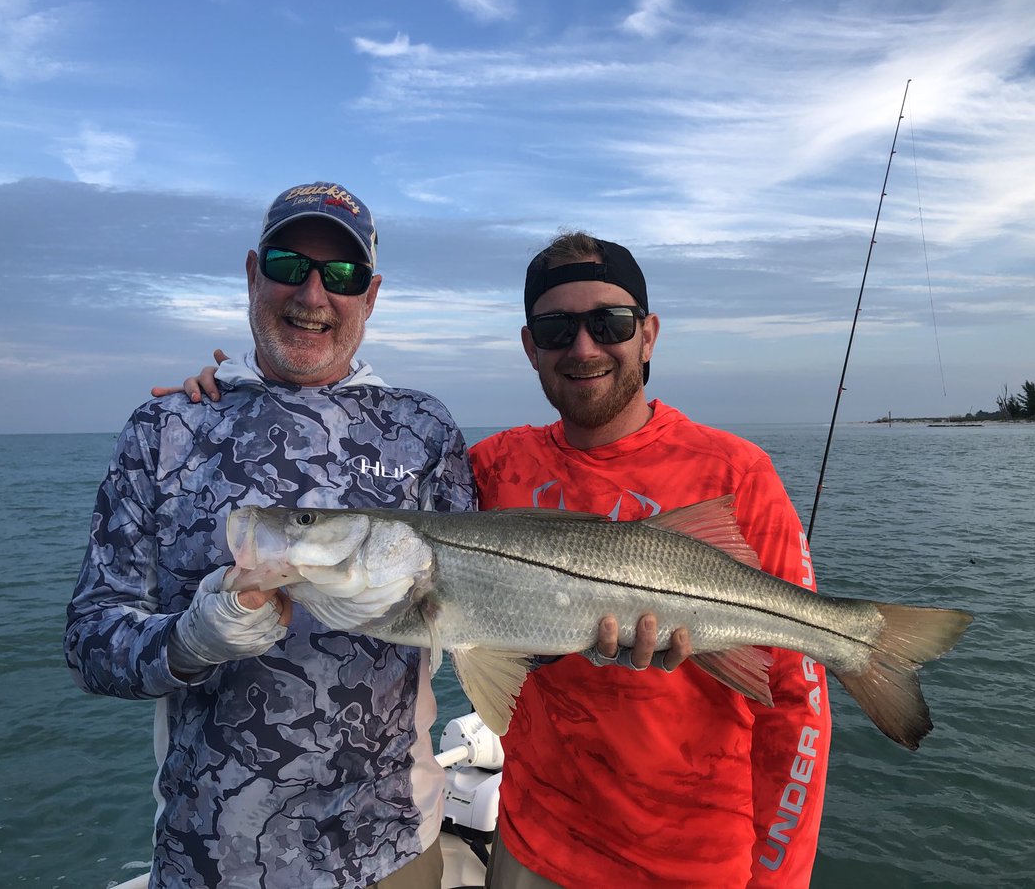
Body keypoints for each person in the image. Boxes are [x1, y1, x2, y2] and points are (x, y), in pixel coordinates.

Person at [173, 232, 832, 888]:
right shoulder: (492, 467)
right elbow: (367, 499)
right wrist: (251, 395)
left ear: (649, 334)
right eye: (555, 328)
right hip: (529, 845)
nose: (583, 347)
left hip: (696, 863)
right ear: (530, 345)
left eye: (610, 323)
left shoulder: (737, 474)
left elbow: (799, 697)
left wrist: (780, 877)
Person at [64, 181, 476, 889]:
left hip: (393, 850)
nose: (313, 295)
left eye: (341, 276)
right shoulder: (167, 429)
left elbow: (486, 594)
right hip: (212, 860)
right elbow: (89, 642)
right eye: (290, 266)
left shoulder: (425, 431)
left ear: (369, 297)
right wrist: (189, 642)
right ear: (254, 273)